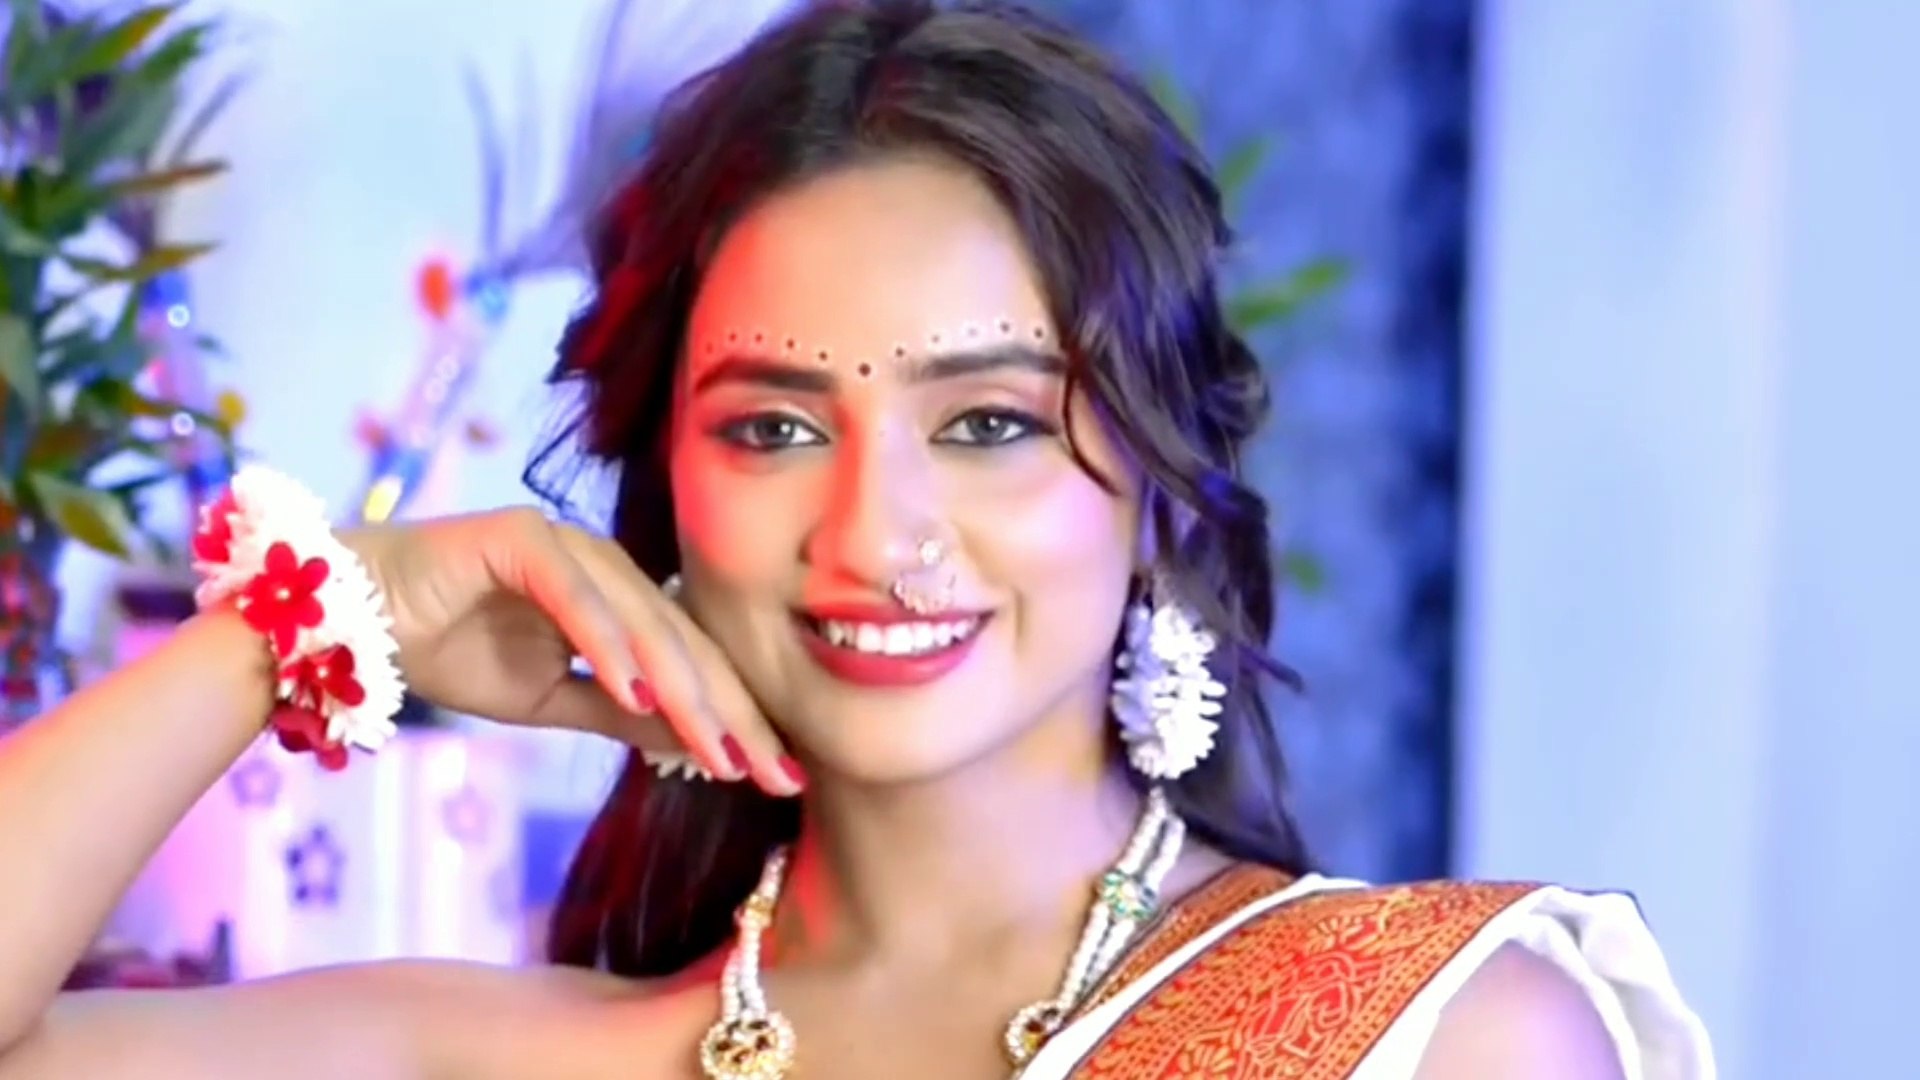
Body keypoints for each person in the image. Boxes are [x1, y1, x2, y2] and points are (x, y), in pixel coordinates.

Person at [0, 1, 1714, 1077]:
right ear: (670, 497)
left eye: (989, 423)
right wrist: (323, 613)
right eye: (773, 428)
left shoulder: (1436, 1033)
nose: (876, 529)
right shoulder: (517, 1052)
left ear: (1156, 478)